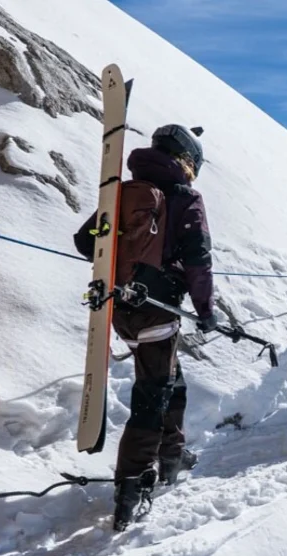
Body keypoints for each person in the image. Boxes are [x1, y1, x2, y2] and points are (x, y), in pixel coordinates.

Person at [74, 124, 213, 528]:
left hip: (120, 308)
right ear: (186, 160)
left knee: (171, 382)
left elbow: (85, 242)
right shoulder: (185, 197)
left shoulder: (122, 191)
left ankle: (173, 455)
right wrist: (206, 310)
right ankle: (131, 483)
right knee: (153, 394)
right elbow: (198, 261)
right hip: (157, 308)